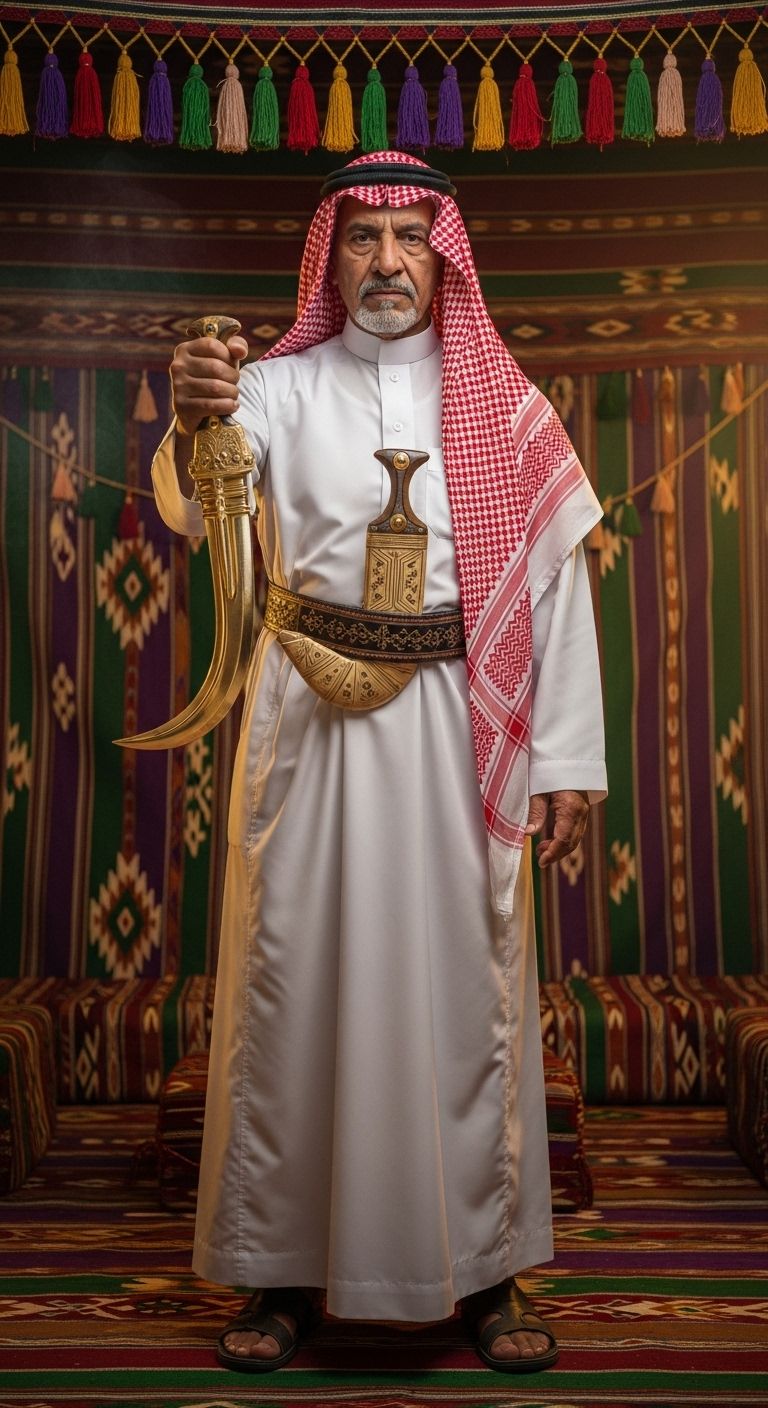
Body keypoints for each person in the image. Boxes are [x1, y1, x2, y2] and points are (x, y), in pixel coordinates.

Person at [151, 150, 607, 1375]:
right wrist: (193, 414)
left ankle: (490, 1272)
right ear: (331, 258)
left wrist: (565, 758)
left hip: (463, 727)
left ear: (445, 257)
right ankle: (279, 1274)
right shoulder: (274, 389)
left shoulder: (506, 406)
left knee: (468, 995)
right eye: (364, 238)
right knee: (292, 991)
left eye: (411, 236)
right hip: (306, 730)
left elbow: (554, 586)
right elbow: (195, 504)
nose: (389, 261)